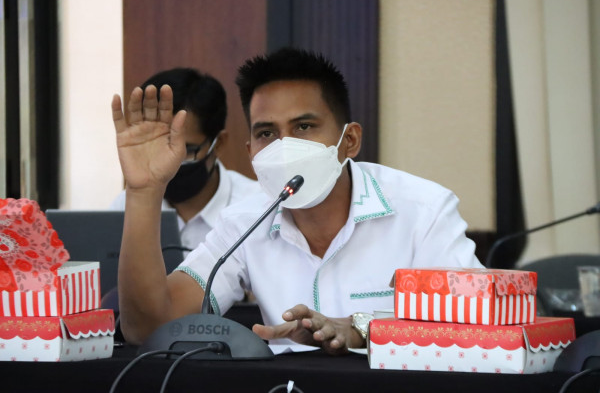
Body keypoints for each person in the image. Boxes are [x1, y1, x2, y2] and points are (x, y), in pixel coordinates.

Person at [111, 48, 483, 355]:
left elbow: (479, 326)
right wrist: (145, 191)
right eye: (266, 133)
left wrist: (362, 329)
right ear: (251, 153)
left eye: (303, 127)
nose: (285, 147)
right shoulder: (244, 222)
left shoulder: (424, 210)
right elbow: (149, 328)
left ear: (349, 141)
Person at [109, 68, 260, 251]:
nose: (171, 161)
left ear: (218, 143)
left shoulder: (258, 208)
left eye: (187, 150)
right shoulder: (127, 206)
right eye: (160, 148)